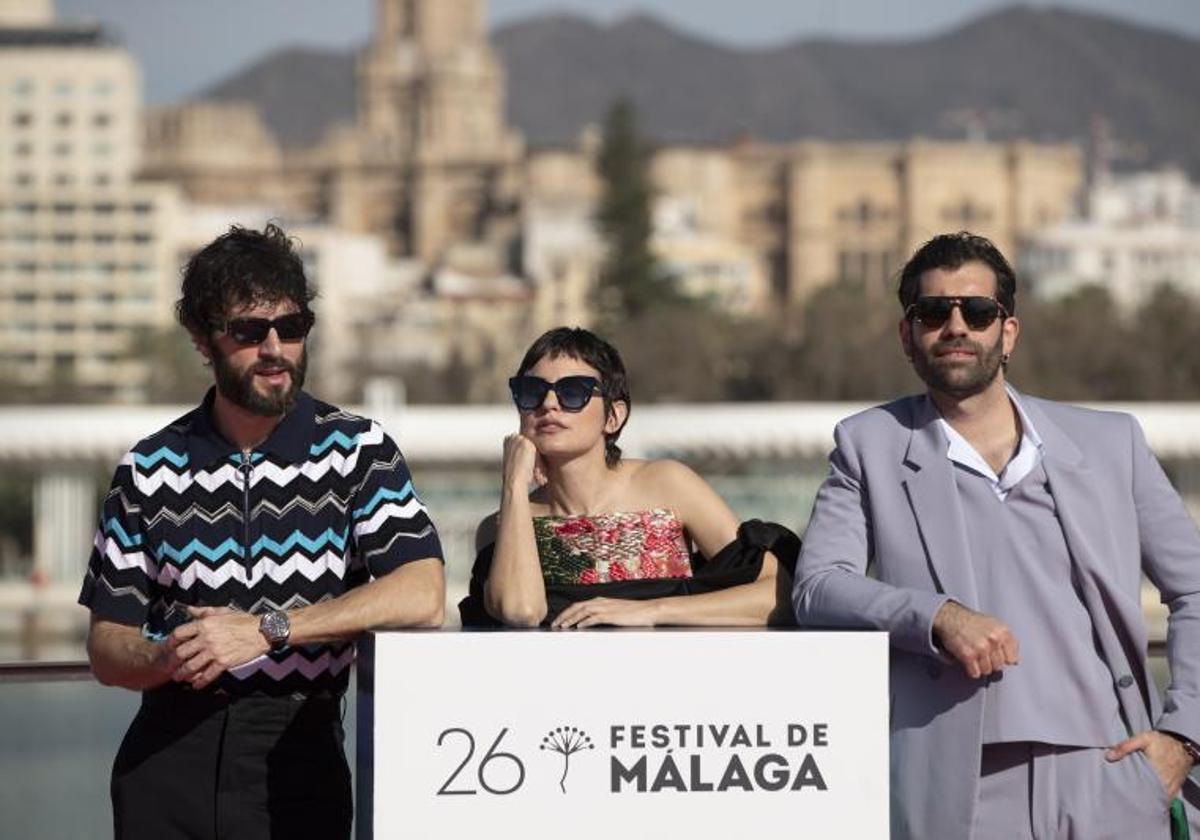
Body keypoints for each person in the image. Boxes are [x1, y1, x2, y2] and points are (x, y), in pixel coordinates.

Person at [793, 231, 1200, 839]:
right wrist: (936, 616)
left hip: (1111, 770)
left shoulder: (1111, 443)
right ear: (908, 336)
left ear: (1007, 332)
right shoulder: (867, 445)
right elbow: (818, 588)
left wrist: (1183, 737)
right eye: (933, 313)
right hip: (958, 788)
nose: (956, 326)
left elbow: (1194, 588)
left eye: (977, 311)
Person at [79, 223, 445, 839]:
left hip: (299, 758)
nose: (275, 348)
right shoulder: (145, 468)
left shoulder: (358, 450)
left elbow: (423, 593)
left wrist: (267, 630)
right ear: (203, 339)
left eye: (292, 328)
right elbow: (106, 643)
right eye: (250, 332)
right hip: (166, 760)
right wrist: (164, 656)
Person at [460, 326, 796, 629]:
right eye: (531, 391)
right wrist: (514, 485)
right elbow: (521, 611)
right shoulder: (504, 524)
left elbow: (780, 593)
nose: (548, 404)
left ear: (614, 415)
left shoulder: (668, 486)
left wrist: (653, 610)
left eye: (573, 391)